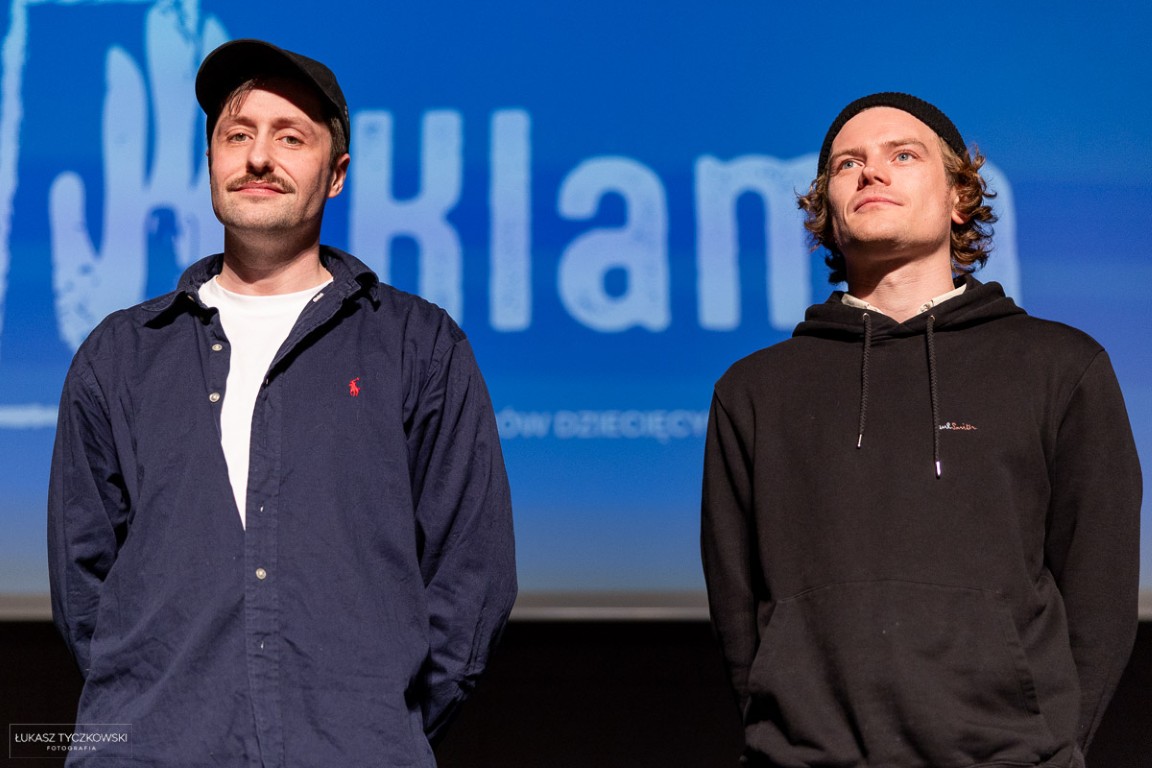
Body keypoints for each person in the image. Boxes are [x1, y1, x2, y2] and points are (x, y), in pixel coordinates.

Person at [48, 39, 516, 766]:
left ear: (337, 174)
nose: (259, 157)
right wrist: (158, 712)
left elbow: (470, 573)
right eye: (238, 135)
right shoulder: (120, 355)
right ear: (211, 161)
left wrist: (374, 727)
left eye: (290, 137)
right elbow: (83, 588)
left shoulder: (418, 346)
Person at [701, 92, 1141, 767]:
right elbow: (737, 611)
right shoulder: (754, 390)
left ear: (960, 197)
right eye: (847, 164)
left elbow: (1100, 592)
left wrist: (1051, 745)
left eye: (903, 155)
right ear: (826, 210)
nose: (871, 172)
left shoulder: (1060, 366)